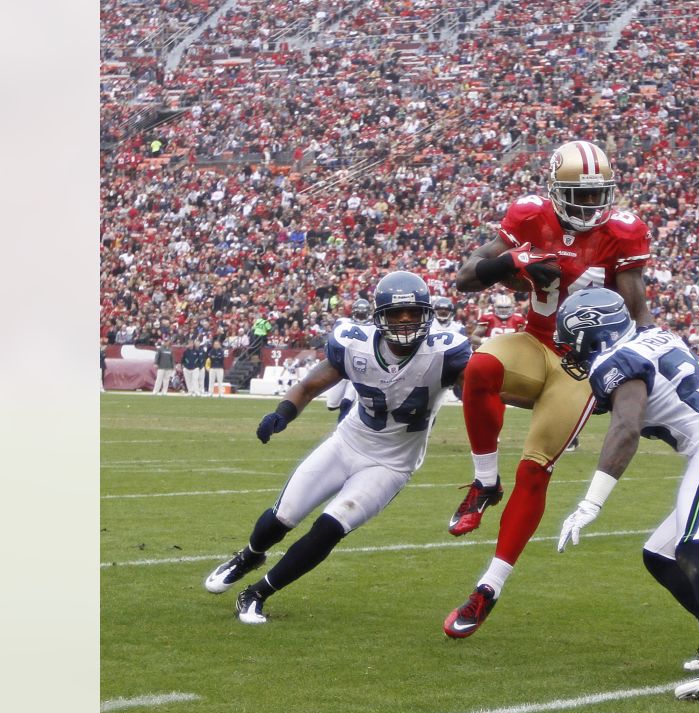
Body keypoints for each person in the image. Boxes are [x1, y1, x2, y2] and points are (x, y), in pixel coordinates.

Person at [442, 140, 653, 639]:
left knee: (536, 470)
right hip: (536, 341)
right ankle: (484, 483)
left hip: (580, 365)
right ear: (553, 191)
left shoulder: (621, 233)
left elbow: (638, 310)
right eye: (577, 195)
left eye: (596, 194)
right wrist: (512, 264)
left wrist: (649, 356)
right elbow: (465, 278)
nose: (588, 206)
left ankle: (487, 588)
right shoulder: (530, 216)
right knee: (478, 370)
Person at [203, 271, 471, 622]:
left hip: (391, 463)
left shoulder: (446, 352)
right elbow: (311, 385)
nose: (405, 322)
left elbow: (479, 395)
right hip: (347, 443)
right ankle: (249, 556)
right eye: (395, 314)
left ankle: (257, 593)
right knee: (283, 515)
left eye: (412, 313)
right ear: (380, 316)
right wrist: (282, 413)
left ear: (427, 315)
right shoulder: (355, 343)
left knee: (331, 527)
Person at [553, 288, 699, 700]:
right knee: (661, 554)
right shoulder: (654, 335)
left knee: (694, 547)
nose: (570, 352)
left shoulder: (614, 359)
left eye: (571, 340)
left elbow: (626, 427)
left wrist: (591, 501)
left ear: (591, 332)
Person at [324, 299, 372, 422]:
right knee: (331, 405)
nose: (361, 316)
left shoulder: (372, 326)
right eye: (359, 313)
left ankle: (342, 429)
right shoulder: (342, 323)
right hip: (340, 368)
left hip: (356, 368)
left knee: (347, 402)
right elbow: (332, 342)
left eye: (363, 314)